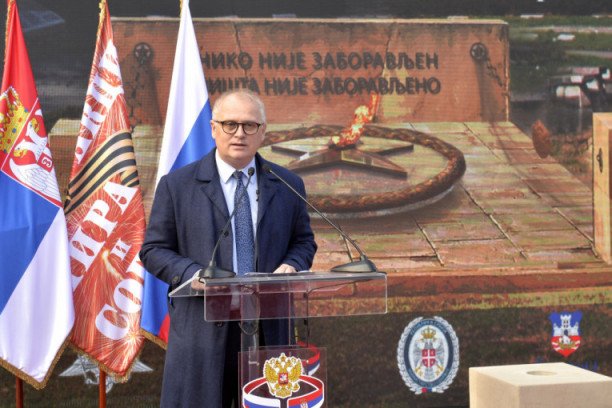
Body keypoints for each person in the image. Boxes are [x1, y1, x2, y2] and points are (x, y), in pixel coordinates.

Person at [139, 89, 317, 408]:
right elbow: (153, 250)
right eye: (230, 124)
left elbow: (303, 242)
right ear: (213, 128)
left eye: (249, 125)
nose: (239, 133)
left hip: (268, 331)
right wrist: (192, 274)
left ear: (263, 132)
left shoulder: (288, 184)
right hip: (202, 333)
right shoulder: (177, 185)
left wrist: (292, 264)